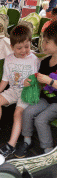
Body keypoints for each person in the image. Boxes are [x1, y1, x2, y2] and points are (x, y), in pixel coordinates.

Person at [0, 25, 40, 158]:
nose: (24, 51)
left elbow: (38, 80)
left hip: (27, 92)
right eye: (19, 48)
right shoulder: (9, 59)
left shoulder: (34, 59)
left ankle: (11, 145)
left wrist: (30, 83)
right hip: (14, 90)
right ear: (11, 47)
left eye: (27, 46)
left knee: (17, 113)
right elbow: (5, 80)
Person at [15, 21, 57, 158]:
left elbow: (48, 82)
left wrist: (50, 81)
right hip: (46, 99)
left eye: (47, 42)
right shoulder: (45, 62)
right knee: (27, 112)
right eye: (43, 41)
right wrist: (31, 83)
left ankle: (48, 149)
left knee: (40, 120)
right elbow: (40, 85)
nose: (43, 45)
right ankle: (27, 141)